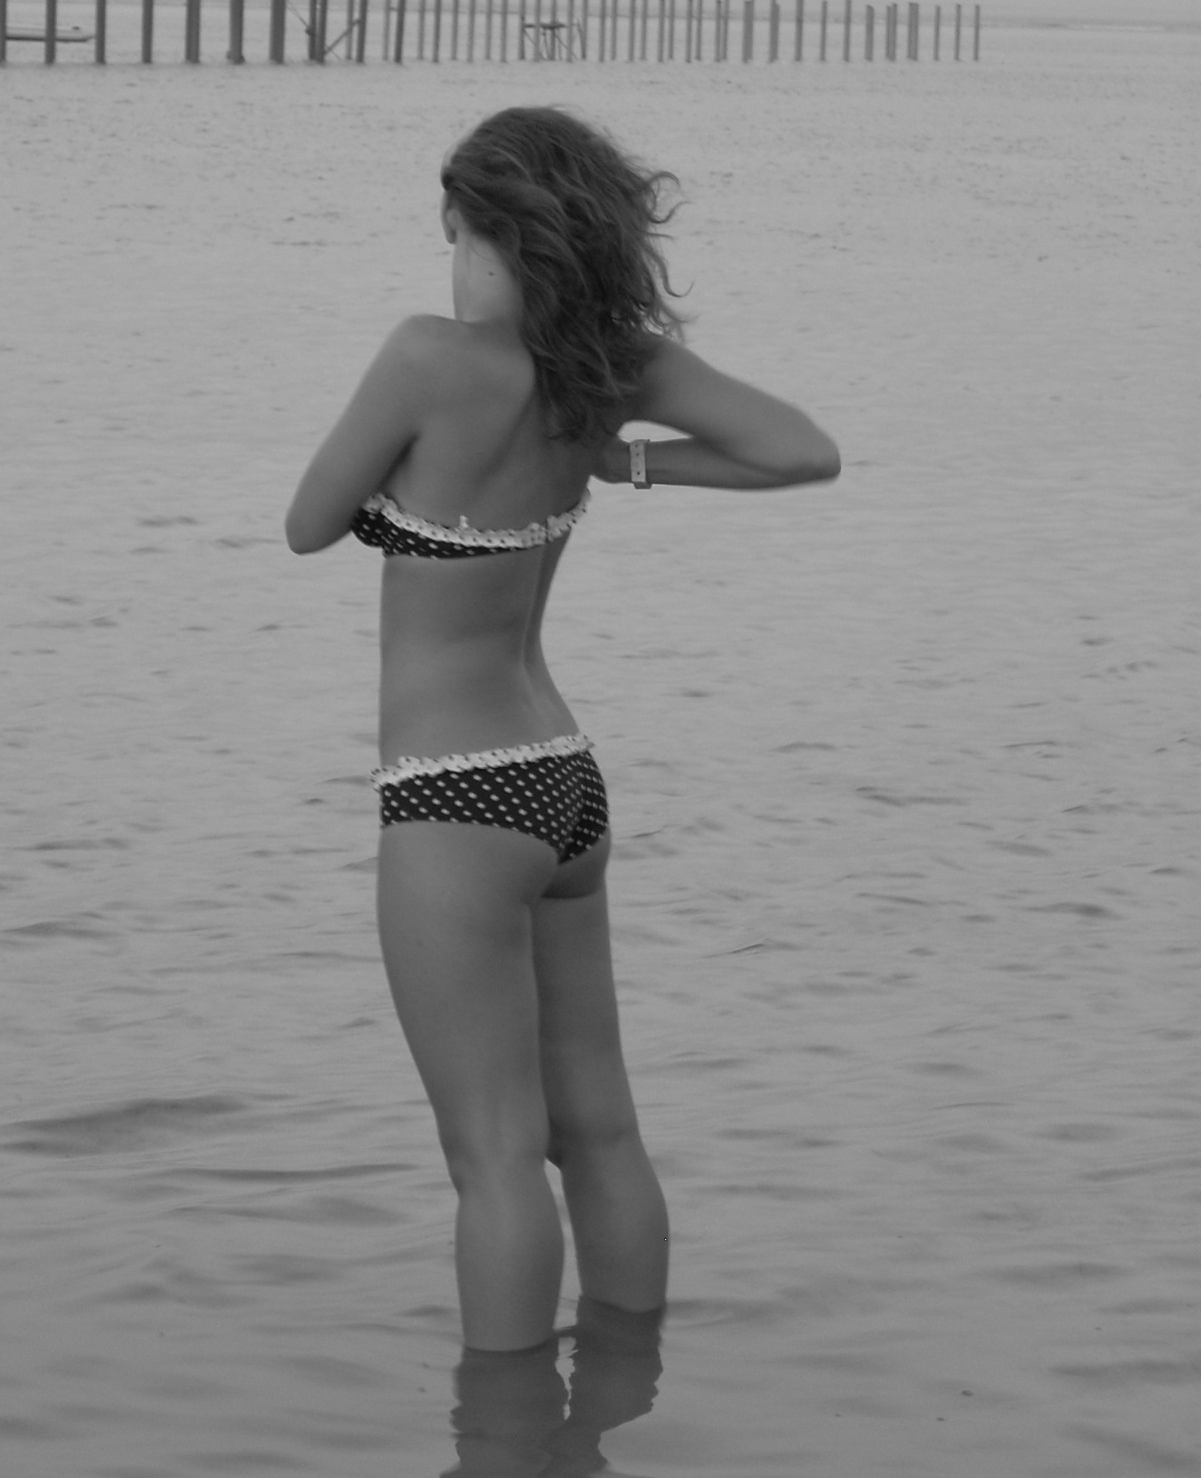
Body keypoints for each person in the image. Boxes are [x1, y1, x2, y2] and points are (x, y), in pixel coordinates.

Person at [285, 107, 839, 1354]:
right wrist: (624, 461)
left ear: (494, 233)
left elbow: (307, 524)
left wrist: (411, 484)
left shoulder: (427, 357)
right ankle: (624, 1400)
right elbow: (805, 451)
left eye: (454, 235)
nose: (450, 263)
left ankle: (504, 1445)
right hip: (564, 781)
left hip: (454, 792)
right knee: (601, 1131)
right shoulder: (610, 367)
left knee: (492, 1155)